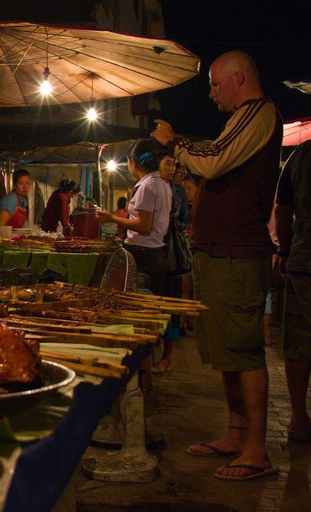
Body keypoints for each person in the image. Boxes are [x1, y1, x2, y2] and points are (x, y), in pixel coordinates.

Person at [152, 50, 283, 480]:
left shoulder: (258, 113)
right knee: (227, 350)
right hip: (219, 251)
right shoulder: (239, 120)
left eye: (215, 84)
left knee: (243, 350)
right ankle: (236, 433)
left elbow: (213, 160)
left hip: (238, 253)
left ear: (239, 79)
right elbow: (213, 162)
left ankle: (256, 450)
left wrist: (175, 141)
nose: (210, 93)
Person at [96, 139, 172, 296]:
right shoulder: (162, 184)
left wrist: (112, 218)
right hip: (155, 253)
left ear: (132, 161)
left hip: (144, 255)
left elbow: (144, 225)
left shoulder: (147, 187)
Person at [274, 140, 311, 443]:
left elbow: (283, 209)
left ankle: (298, 416)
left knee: (298, 341)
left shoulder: (301, 154)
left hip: (303, 257)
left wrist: (285, 251)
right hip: (301, 259)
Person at [153, 158, 190, 374]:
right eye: (167, 163)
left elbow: (185, 220)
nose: (172, 168)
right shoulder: (150, 184)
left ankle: (167, 357)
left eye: (174, 164)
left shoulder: (178, 190)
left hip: (170, 253)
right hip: (151, 251)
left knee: (171, 303)